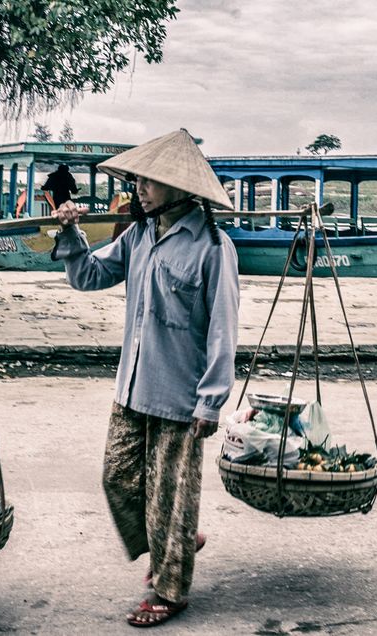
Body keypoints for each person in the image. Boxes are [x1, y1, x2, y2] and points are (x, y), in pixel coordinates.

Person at [51, 130, 239, 628]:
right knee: (116, 477)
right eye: (137, 179)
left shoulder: (213, 247)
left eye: (150, 181)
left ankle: (170, 588)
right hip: (132, 387)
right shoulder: (137, 236)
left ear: (180, 188)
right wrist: (70, 234)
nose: (139, 188)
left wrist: (212, 401)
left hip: (181, 395)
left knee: (169, 496)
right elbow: (88, 276)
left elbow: (223, 328)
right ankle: (173, 537)